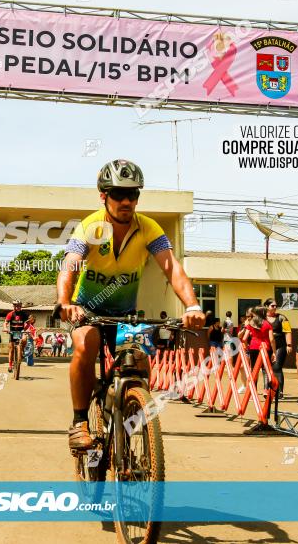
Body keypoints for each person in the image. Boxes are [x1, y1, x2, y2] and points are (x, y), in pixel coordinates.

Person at [57, 159, 206, 451]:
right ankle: (79, 422)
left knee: (139, 362)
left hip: (126, 314)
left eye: (133, 194)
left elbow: (172, 268)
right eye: (117, 194)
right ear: (103, 196)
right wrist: (65, 303)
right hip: (88, 310)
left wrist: (192, 306)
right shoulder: (90, 226)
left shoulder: (149, 228)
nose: (126, 201)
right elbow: (70, 266)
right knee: (86, 344)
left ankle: (129, 412)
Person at [238, 306, 275, 395]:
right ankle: (266, 390)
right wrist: (274, 352)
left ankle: (252, 392)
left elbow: (244, 338)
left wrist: (247, 346)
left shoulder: (251, 323)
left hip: (253, 348)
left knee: (254, 370)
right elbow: (272, 339)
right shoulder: (267, 324)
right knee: (266, 369)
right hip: (266, 348)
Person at [264, 298, 293, 399]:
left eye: (276, 305)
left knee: (276, 367)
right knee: (266, 368)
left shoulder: (282, 318)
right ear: (267, 307)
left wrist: (289, 345)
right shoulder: (262, 318)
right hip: (266, 346)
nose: (275, 307)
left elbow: (288, 331)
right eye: (272, 306)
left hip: (280, 346)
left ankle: (279, 391)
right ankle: (267, 389)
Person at [5, 300, 29, 374]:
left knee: (25, 339)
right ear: (14, 306)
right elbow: (5, 323)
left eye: (19, 305)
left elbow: (28, 323)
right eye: (16, 305)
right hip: (13, 333)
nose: (17, 307)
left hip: (21, 332)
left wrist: (25, 329)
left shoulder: (24, 314)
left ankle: (21, 351)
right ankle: (10, 365)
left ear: (21, 306)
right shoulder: (10, 314)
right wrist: (6, 329)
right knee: (11, 349)